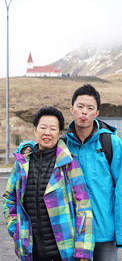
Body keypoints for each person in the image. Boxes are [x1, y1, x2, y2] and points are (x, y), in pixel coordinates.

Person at [3, 106, 95, 261]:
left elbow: (83, 207)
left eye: (53, 128)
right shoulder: (22, 163)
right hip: (31, 250)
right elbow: (9, 198)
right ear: (35, 130)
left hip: (64, 251)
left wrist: (83, 248)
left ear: (59, 133)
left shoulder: (69, 163)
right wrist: (16, 229)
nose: (47, 132)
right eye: (43, 127)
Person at [64, 84, 122, 261]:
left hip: (104, 232)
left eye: (90, 108)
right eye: (80, 107)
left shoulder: (112, 143)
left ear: (97, 113)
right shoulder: (61, 145)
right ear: (71, 110)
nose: (84, 112)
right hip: (73, 232)